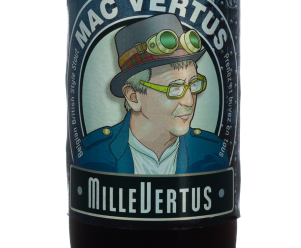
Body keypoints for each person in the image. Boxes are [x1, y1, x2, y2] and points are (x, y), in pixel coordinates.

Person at [77, 15, 227, 175]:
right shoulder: (94, 154)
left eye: (194, 84)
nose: (189, 101)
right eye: (175, 88)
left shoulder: (211, 152)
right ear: (133, 97)